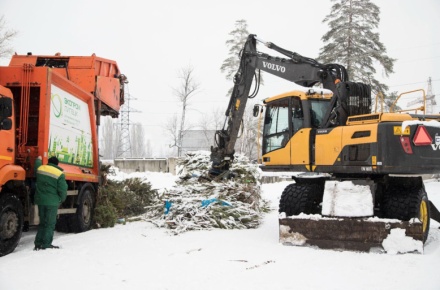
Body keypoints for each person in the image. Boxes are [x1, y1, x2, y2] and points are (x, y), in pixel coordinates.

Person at [33, 156, 67, 250]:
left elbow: (36, 167)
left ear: (48, 162)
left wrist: (38, 159)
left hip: (40, 201)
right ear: (57, 164)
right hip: (52, 203)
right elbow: (63, 190)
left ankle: (38, 243)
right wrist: (61, 199)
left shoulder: (41, 169)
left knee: (42, 223)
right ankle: (46, 244)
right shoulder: (59, 174)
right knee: (50, 224)